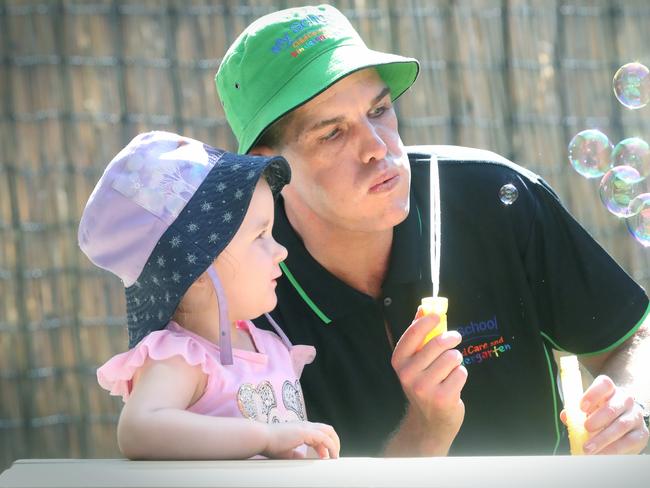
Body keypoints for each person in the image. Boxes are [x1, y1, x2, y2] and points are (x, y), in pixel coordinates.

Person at [214, 4, 650, 457]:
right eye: (333, 134)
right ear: (271, 166)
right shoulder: (241, 288)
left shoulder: (495, 195)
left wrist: (631, 402)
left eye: (379, 109)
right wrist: (426, 428)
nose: (378, 147)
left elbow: (633, 340)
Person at [78, 131, 340, 460]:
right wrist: (263, 437)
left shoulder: (271, 346)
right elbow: (138, 429)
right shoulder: (182, 357)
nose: (281, 251)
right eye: (261, 235)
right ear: (199, 269)